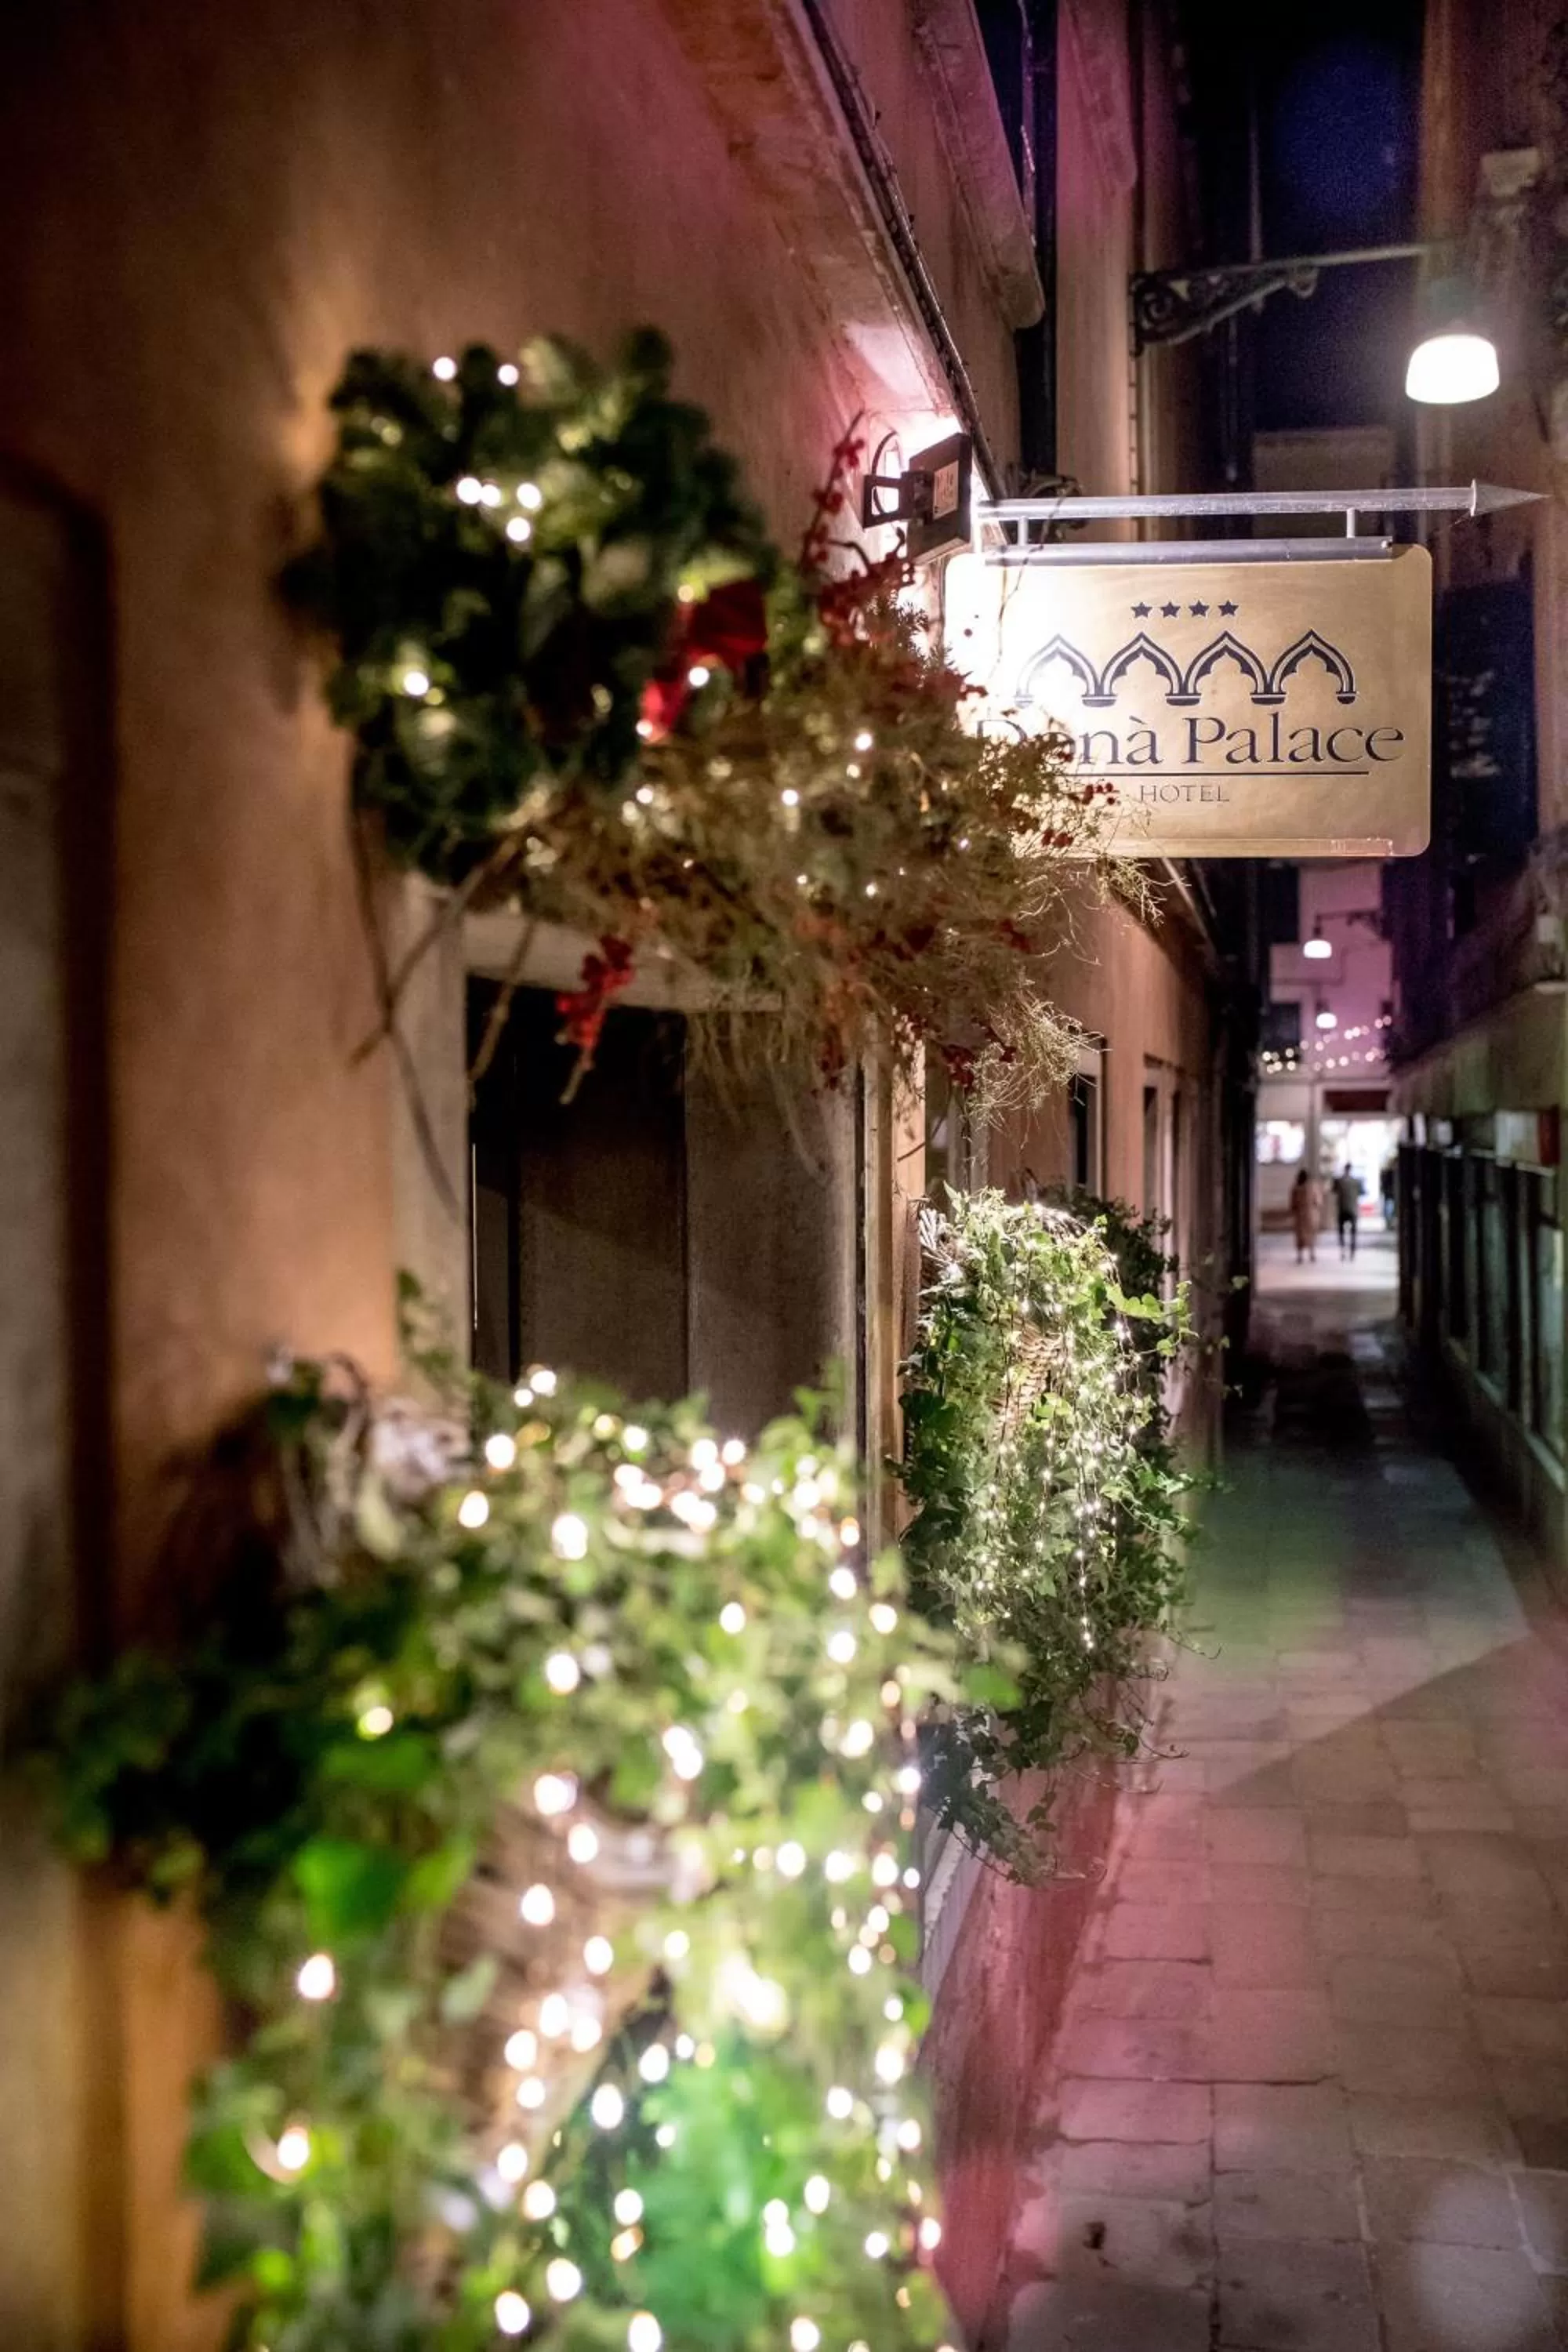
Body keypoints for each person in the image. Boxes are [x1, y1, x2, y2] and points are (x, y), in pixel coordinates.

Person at [1290, 1166, 1321, 1264]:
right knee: (1311, 1235)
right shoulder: (1313, 1187)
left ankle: (1300, 1256)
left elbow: (1292, 1204)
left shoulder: (1296, 1188)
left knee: (1300, 1236)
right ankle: (1312, 1254)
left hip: (1300, 1216)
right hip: (1311, 1215)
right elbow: (1318, 1202)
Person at [1334, 1162, 1363, 1259]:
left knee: (1341, 1231)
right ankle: (1352, 1251)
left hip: (1342, 1209)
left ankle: (1343, 1250)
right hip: (1353, 1210)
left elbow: (1333, 1190)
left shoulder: (1339, 1181)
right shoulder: (1356, 1182)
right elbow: (1361, 1192)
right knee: (1353, 1232)